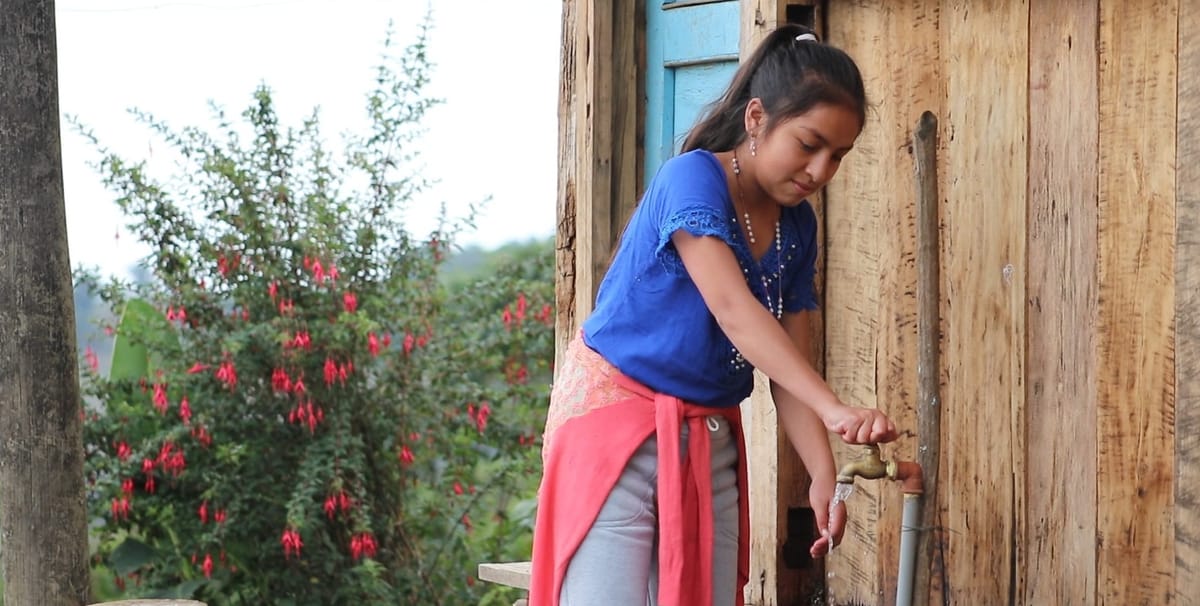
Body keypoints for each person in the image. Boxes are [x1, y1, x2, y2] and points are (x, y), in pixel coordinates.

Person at [529, 24, 899, 606]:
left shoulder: (799, 228)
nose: (822, 170)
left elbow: (788, 366)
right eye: (809, 144)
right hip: (616, 431)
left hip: (706, 435)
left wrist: (823, 471)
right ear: (757, 118)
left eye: (839, 155)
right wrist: (836, 408)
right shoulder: (691, 180)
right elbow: (734, 312)